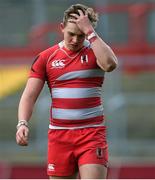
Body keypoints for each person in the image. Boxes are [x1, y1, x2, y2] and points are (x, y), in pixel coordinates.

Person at [16, 3, 117, 179]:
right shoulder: (46, 57)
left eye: (81, 35)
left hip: (91, 134)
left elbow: (110, 64)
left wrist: (90, 32)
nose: (76, 40)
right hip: (59, 136)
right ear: (61, 28)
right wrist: (22, 123)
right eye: (71, 34)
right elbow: (29, 96)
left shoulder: (96, 51)